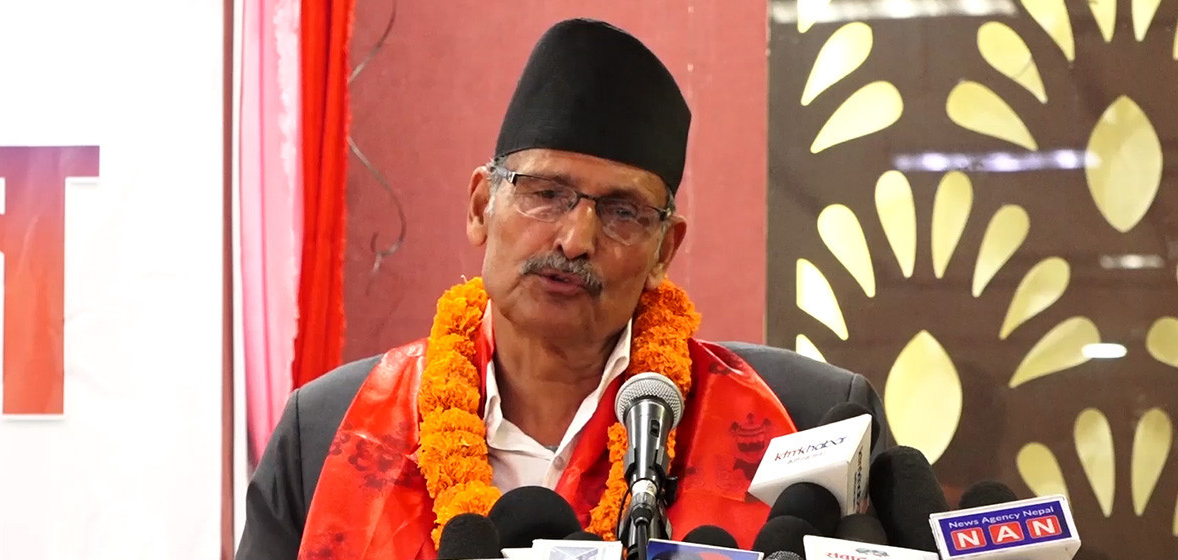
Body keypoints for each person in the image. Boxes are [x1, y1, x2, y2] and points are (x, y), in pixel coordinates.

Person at [236, 18, 893, 560]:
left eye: (622, 212)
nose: (576, 239)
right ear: (480, 207)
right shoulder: (325, 434)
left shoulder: (804, 422)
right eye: (546, 193)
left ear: (664, 250)